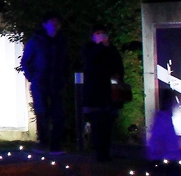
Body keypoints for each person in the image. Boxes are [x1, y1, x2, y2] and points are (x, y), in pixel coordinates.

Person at [21, 14, 71, 152]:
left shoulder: (61, 41)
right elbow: (26, 61)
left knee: (58, 114)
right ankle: (43, 143)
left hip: (56, 81)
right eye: (52, 22)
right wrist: (33, 77)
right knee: (42, 113)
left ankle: (55, 145)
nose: (55, 26)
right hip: (41, 82)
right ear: (45, 24)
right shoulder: (36, 41)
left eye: (57, 23)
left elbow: (66, 61)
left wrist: (64, 77)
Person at [79, 26, 128, 162]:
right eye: (97, 33)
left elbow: (118, 67)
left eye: (102, 33)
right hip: (95, 93)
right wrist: (101, 47)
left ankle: (105, 152)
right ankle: (100, 153)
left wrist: (118, 76)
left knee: (108, 124)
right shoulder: (89, 49)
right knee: (98, 123)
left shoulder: (112, 50)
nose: (100, 36)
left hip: (110, 92)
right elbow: (90, 66)